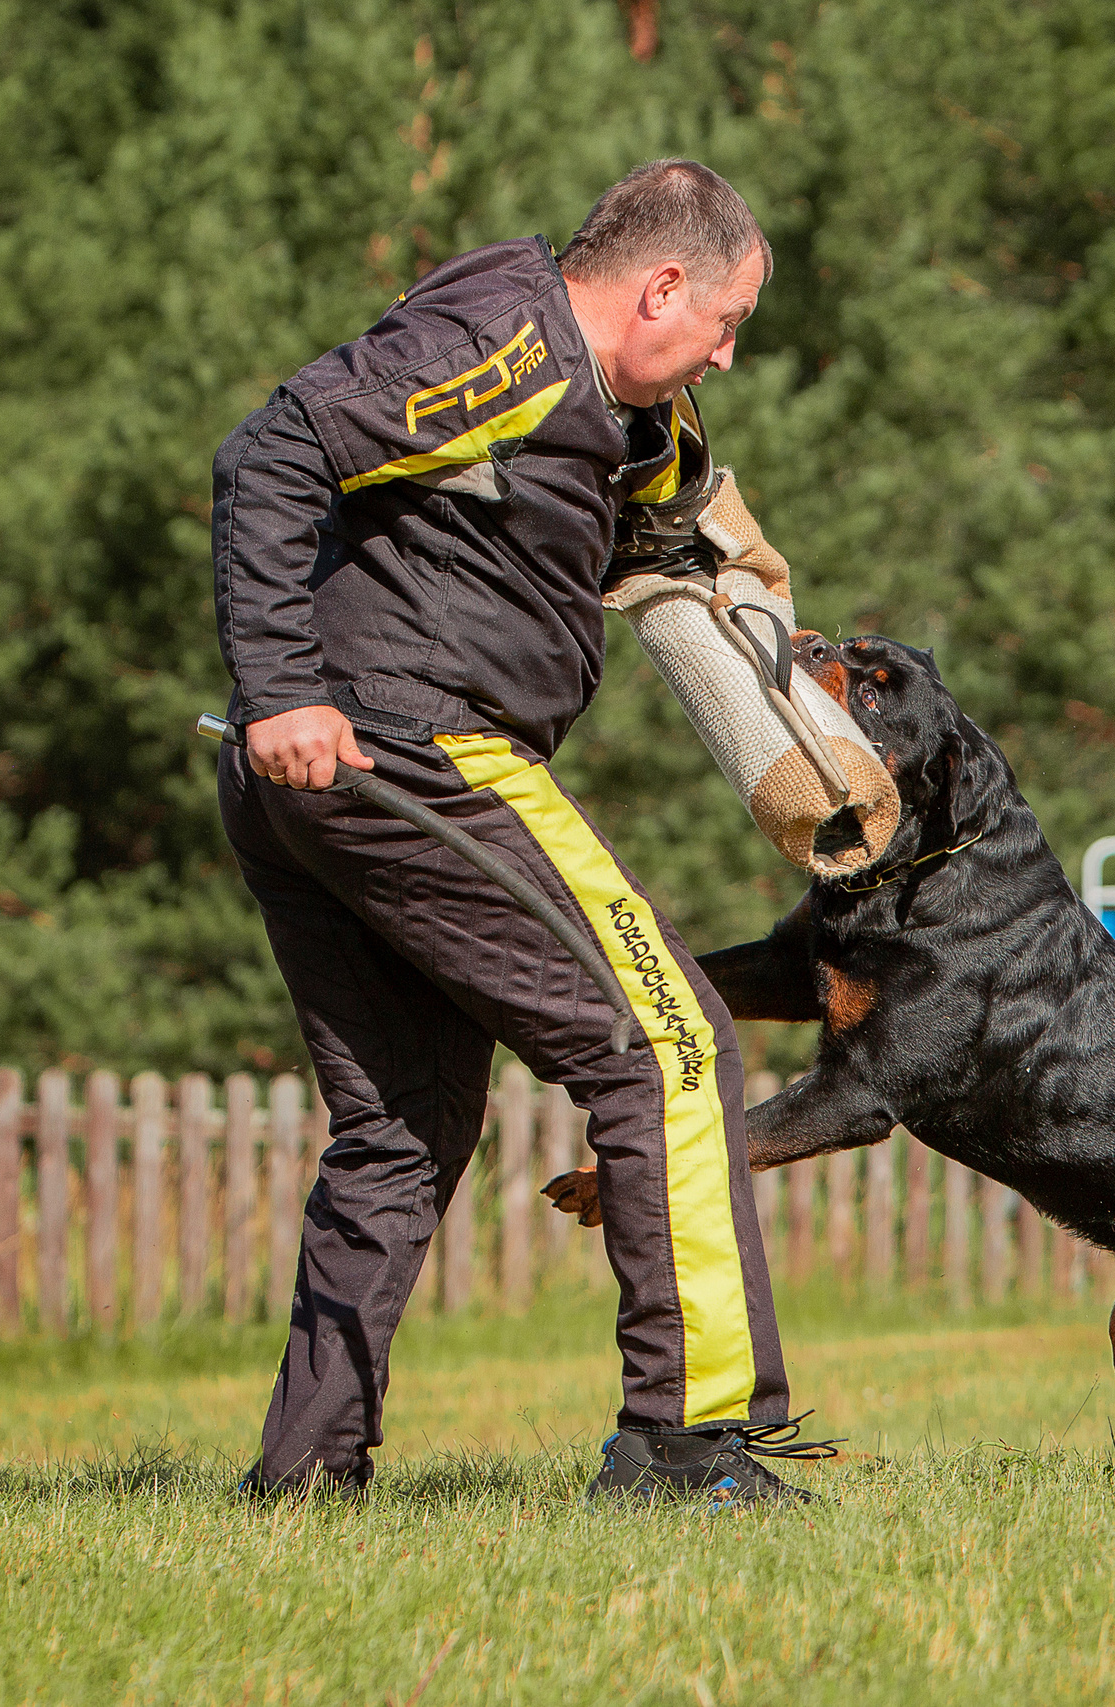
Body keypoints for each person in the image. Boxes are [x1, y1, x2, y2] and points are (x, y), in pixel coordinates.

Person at [211, 159, 819, 1503]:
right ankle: (686, 1445)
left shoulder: (575, 390)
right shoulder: (509, 343)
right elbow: (275, 450)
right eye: (723, 323)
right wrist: (283, 687)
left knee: (406, 1122)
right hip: (407, 751)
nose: (727, 351)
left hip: (340, 775)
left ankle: (307, 1472)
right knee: (670, 1045)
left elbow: (572, 522)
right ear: (660, 284)